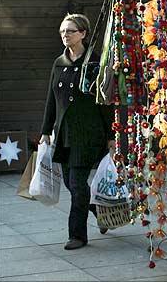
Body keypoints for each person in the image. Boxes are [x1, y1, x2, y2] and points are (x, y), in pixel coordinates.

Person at [39, 13, 114, 250]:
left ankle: (77, 235)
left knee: (77, 183)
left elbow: (106, 102)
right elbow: (52, 99)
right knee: (74, 186)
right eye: (62, 31)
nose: (65, 35)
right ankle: (100, 212)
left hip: (88, 133)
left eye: (70, 31)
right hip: (64, 134)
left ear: (82, 33)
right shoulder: (58, 63)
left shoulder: (95, 63)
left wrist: (112, 135)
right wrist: (45, 130)